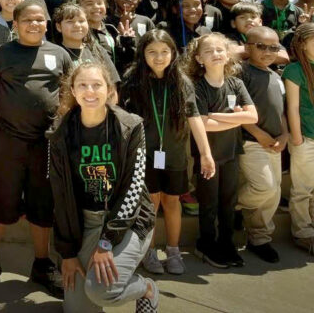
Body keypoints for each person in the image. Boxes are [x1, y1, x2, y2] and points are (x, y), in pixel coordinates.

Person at [0, 1, 72, 297]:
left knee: (42, 204)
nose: (34, 24)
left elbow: (66, 92)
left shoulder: (59, 54)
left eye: (40, 19)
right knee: (3, 198)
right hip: (9, 140)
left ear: (47, 24)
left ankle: (42, 263)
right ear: (16, 24)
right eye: (28, 20)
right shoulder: (1, 54)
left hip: (46, 143)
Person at [48, 62, 160, 313]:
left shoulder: (130, 126)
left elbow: (133, 189)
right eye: (82, 85)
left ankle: (146, 289)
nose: (90, 91)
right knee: (77, 310)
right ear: (73, 91)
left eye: (97, 85)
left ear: (109, 89)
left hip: (128, 220)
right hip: (85, 222)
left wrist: (107, 242)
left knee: (102, 292)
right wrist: (68, 253)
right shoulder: (60, 134)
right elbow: (60, 195)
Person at [120, 30, 215, 276]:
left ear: (173, 53)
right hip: (144, 155)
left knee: (172, 201)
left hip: (173, 154)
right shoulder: (133, 80)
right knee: (150, 203)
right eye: (152, 52)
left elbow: (194, 117)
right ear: (142, 54)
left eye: (164, 51)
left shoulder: (181, 81)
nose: (159, 57)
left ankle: (173, 250)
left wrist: (205, 153)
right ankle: (148, 251)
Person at [183, 33, 258, 268]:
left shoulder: (236, 84)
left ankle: (227, 243)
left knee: (228, 201)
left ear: (227, 55)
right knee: (209, 203)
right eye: (208, 51)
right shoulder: (197, 87)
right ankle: (205, 244)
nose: (215, 54)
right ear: (199, 59)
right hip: (208, 156)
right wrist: (235, 118)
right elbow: (202, 124)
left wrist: (216, 116)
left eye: (220, 50)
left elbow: (252, 116)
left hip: (231, 152)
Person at [238, 26, 288, 263]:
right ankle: (231, 205)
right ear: (247, 47)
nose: (268, 52)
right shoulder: (242, 72)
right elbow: (237, 110)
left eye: (273, 48)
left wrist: (285, 135)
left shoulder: (276, 76)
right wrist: (258, 134)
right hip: (251, 141)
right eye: (261, 46)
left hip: (275, 143)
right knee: (265, 188)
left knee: (274, 192)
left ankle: (259, 238)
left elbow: (282, 112)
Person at [283, 23, 314, 256]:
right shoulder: (294, 70)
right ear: (302, 45)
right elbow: (292, 107)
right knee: (302, 189)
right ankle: (302, 232)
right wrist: (297, 139)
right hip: (306, 137)